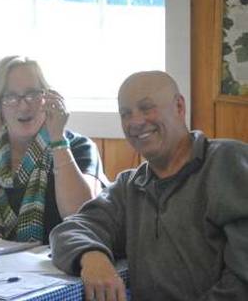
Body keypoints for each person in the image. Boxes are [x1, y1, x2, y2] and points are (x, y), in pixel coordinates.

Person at [50, 71, 248, 301]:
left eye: (146, 108)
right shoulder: (129, 187)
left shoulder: (227, 161)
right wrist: (92, 256)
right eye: (126, 113)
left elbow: (243, 278)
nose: (135, 122)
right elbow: (70, 229)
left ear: (179, 107)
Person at [0, 56, 106, 244]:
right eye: (11, 97)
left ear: (48, 98)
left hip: (60, 268)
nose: (24, 106)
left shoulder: (79, 148)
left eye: (33, 94)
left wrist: (57, 140)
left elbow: (81, 216)